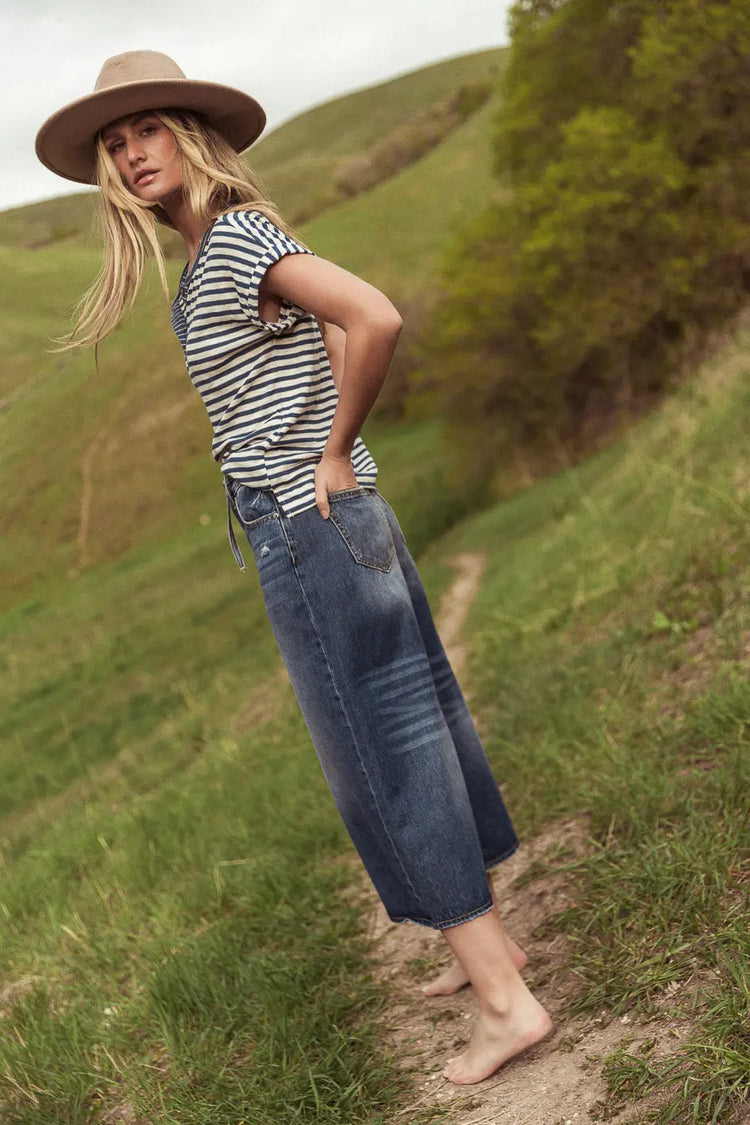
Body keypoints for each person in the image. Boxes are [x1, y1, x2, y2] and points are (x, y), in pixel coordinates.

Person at [35, 50, 552, 1085]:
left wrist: (326, 449)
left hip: (307, 521)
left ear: (192, 132)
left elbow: (373, 315)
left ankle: (503, 999)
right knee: (421, 721)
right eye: (115, 141)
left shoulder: (228, 241)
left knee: (380, 754)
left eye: (148, 129)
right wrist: (339, 450)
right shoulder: (228, 244)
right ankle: (489, 954)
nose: (133, 153)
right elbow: (318, 327)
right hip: (345, 513)